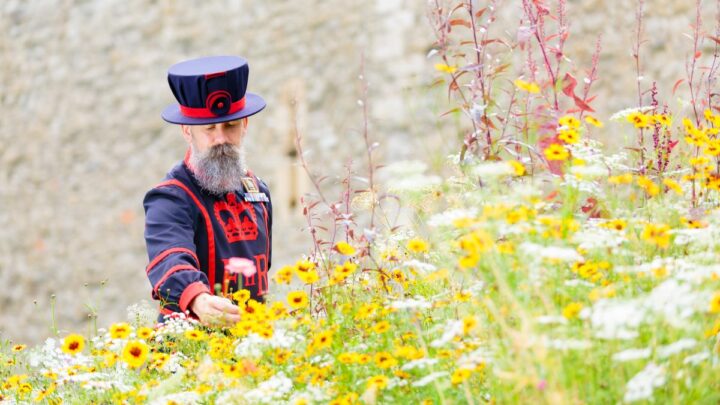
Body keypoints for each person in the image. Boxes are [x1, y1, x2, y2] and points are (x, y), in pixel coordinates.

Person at [143, 56, 272, 326]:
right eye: (209, 129)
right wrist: (198, 299)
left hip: (251, 344)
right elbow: (169, 259)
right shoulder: (169, 198)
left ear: (245, 125)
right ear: (186, 131)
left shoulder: (259, 192)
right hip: (189, 347)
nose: (221, 139)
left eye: (230, 126)